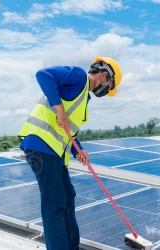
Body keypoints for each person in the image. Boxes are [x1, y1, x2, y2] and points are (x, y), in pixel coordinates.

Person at [17, 57, 123, 250]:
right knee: (55, 205)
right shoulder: (78, 76)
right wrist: (59, 110)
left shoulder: (84, 99)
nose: (106, 92)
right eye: (109, 87)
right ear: (104, 75)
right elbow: (43, 75)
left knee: (67, 198)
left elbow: (69, 132)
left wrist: (78, 150)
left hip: (55, 153)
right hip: (41, 146)